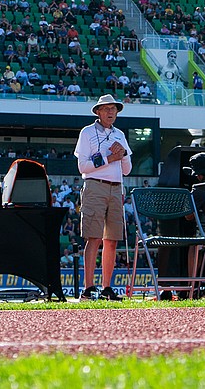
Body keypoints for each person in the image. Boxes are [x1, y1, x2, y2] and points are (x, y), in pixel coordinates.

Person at [73, 94, 132, 301]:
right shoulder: (87, 132)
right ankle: (89, 288)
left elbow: (127, 170)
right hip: (95, 185)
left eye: (113, 109)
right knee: (94, 237)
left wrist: (123, 155)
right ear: (98, 112)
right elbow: (83, 167)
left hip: (116, 188)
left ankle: (107, 287)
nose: (110, 112)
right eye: (106, 109)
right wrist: (110, 158)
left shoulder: (120, 134)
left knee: (112, 240)